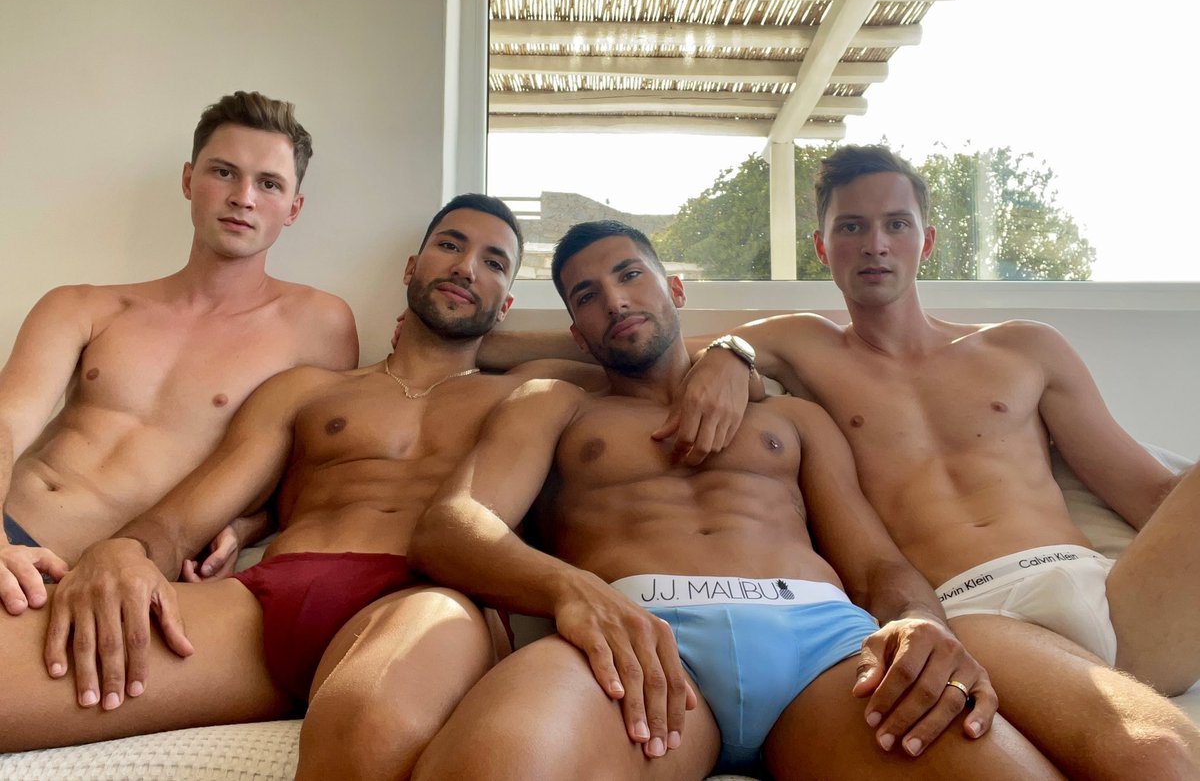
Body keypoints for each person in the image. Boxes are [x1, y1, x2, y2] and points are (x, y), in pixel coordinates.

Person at [406, 220, 1061, 780]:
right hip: (637, 643)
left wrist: (921, 620)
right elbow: (451, 528)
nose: (615, 300)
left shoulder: (793, 417)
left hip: (826, 650)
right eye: (588, 295)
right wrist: (569, 590)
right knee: (492, 765)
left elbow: (875, 566)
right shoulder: (558, 405)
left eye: (631, 276)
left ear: (676, 290)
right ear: (578, 333)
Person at [0, 195, 601, 778]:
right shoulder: (308, 389)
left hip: (430, 597)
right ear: (412, 268)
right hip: (269, 599)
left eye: (493, 263)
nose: (466, 267)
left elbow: (628, 346)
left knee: (367, 724)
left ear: (507, 303)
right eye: (450, 246)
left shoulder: (523, 393)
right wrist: (126, 551)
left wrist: (491, 340)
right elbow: (186, 518)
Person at [672, 144, 1200, 777]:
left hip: (1110, 591)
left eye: (896, 224)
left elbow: (1149, 494)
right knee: (1154, 753)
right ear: (822, 248)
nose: (875, 244)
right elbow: (641, 349)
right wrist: (730, 350)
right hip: (975, 614)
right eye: (851, 226)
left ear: (925, 242)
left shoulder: (1026, 347)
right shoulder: (805, 345)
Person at [0, 91, 359, 613]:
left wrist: (244, 525)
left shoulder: (318, 325)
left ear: (294, 208)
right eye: (224, 173)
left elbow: (310, 475)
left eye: (269, 183)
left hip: (134, 577)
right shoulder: (83, 306)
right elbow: (6, 422)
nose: (243, 197)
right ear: (189, 180)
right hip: (14, 537)